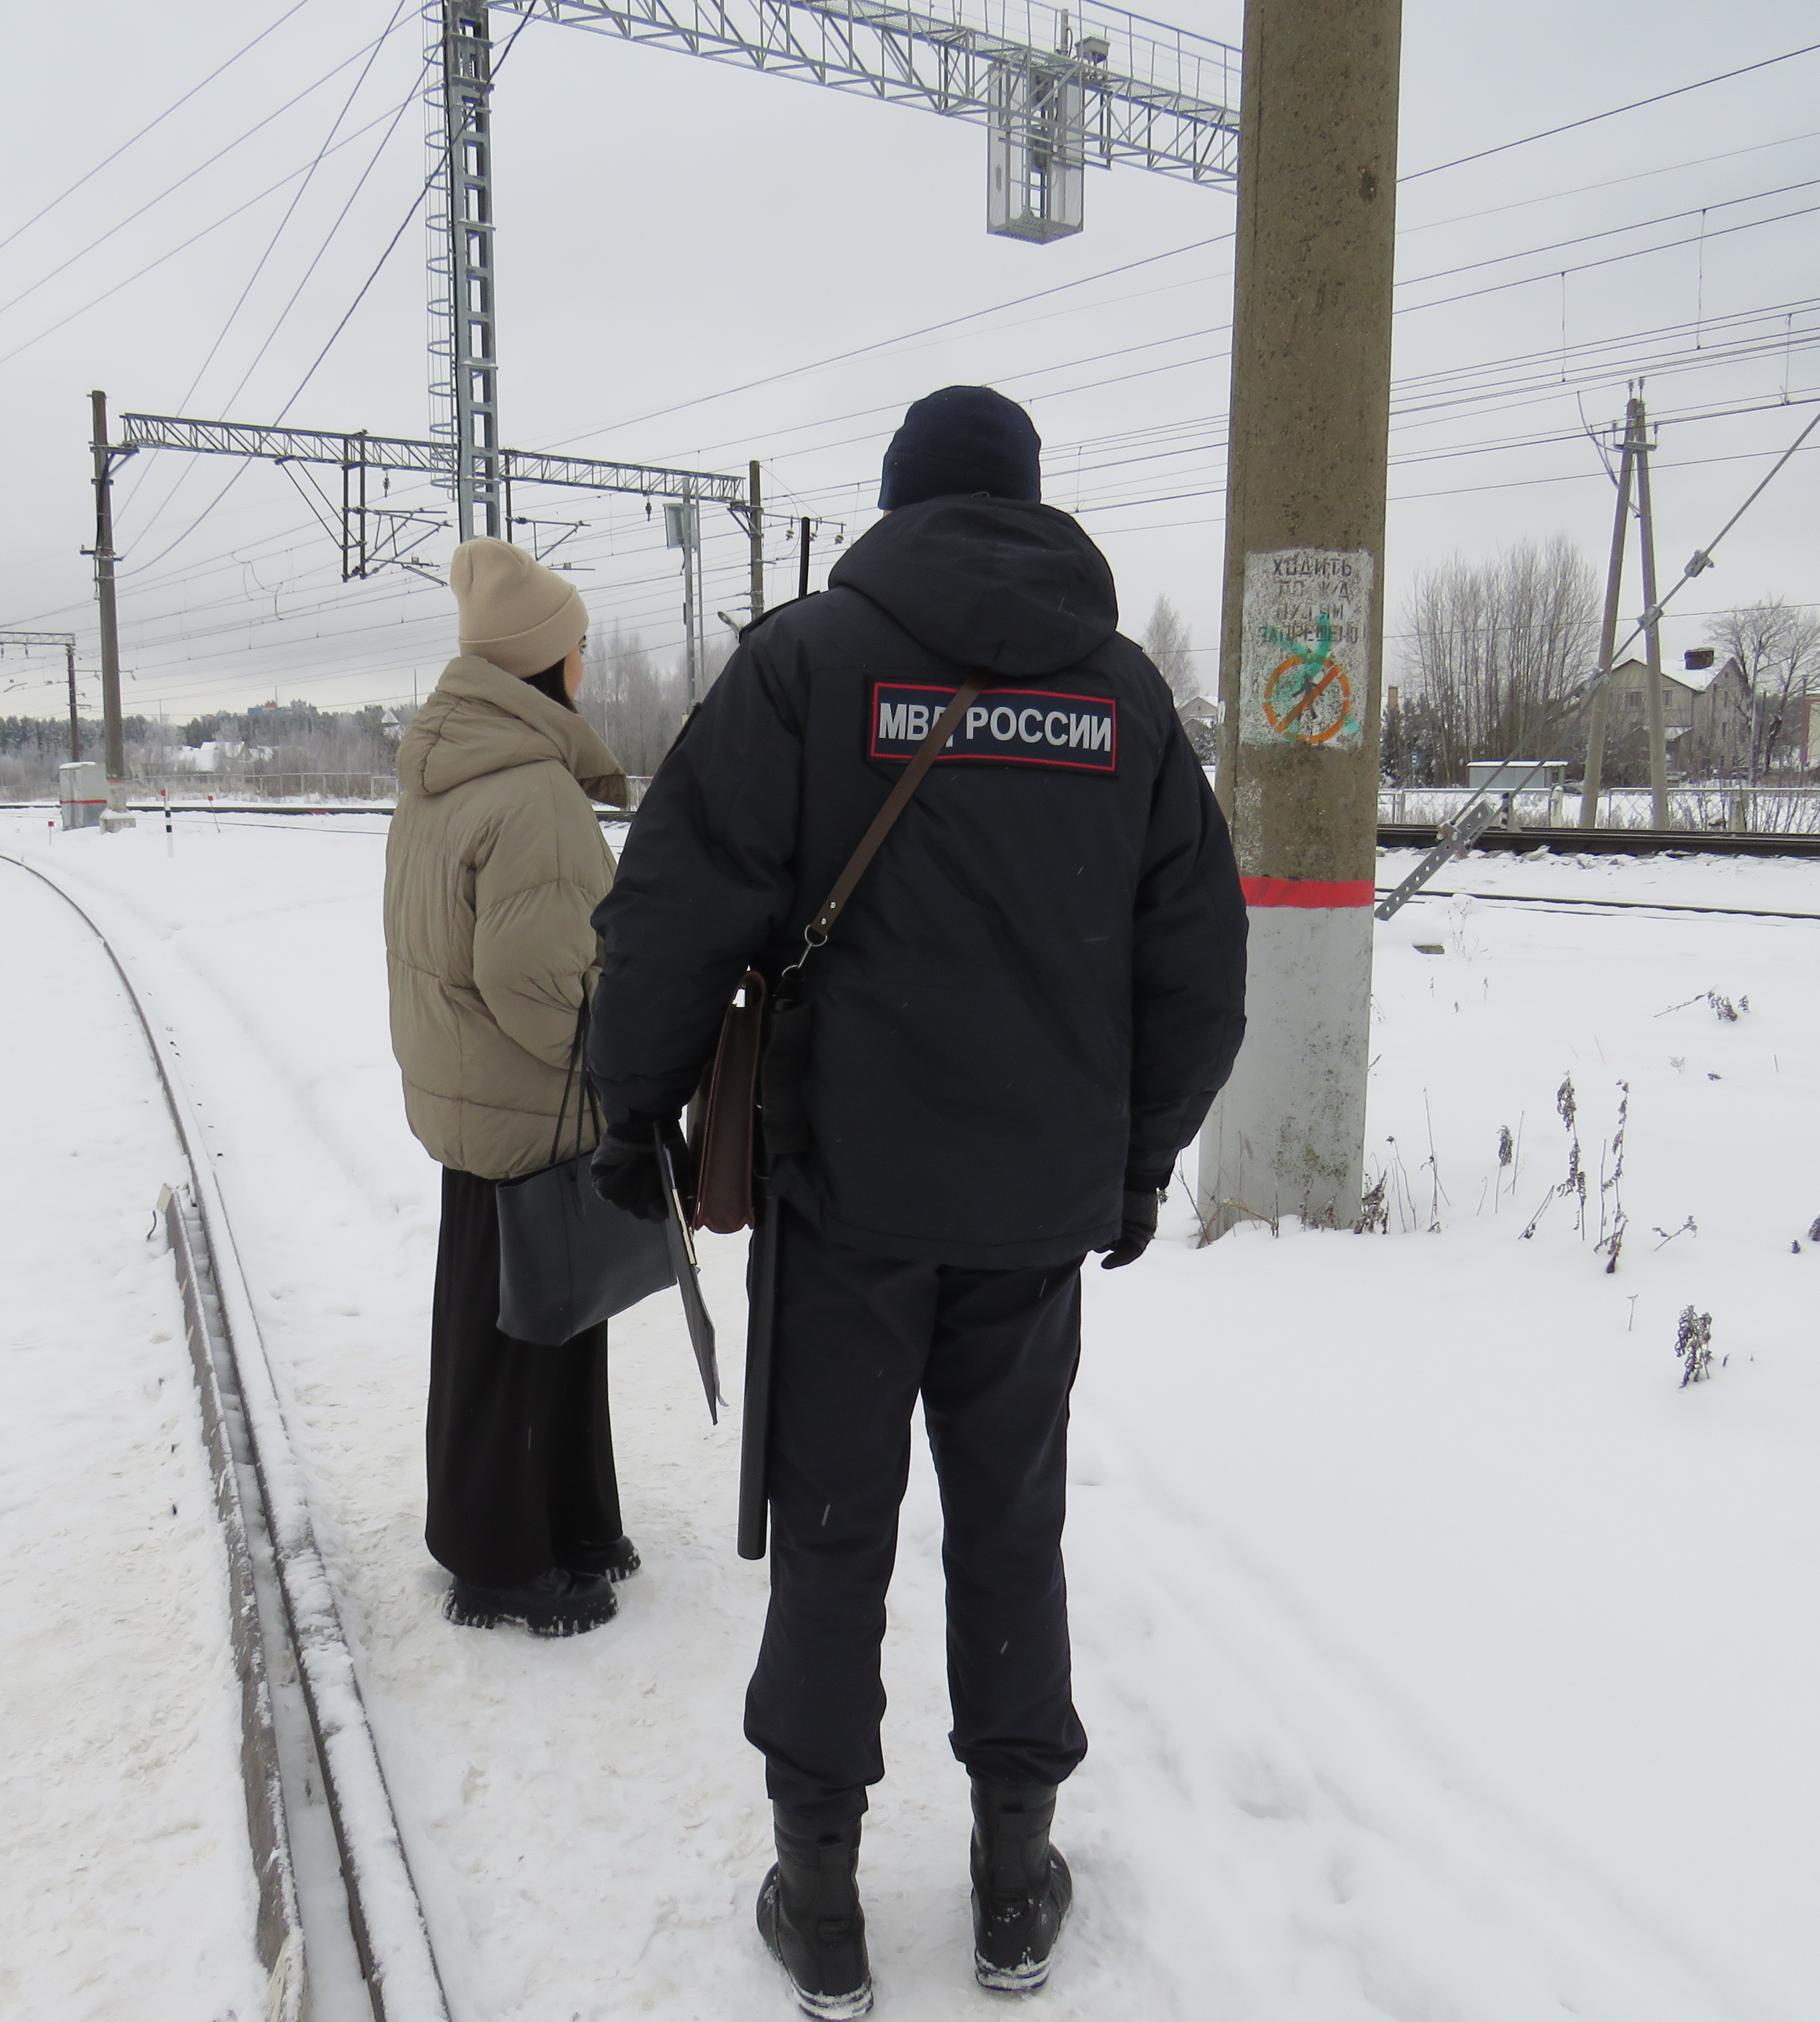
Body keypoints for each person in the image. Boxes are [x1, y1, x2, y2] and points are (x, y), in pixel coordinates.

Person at [585, 386, 1247, 2014]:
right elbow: (1202, 970)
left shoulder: (811, 664)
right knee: (1014, 1526)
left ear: (897, 503)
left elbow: (672, 897)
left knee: (833, 1533)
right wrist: (1138, 1156)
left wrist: (634, 1107)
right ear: (1031, 505)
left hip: (850, 1197)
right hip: (1029, 1220)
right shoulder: (1126, 697)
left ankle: (820, 1901)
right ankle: (1015, 1884)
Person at [384, 537, 638, 1639]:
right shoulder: (531, 789)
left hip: (470, 1091)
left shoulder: (451, 768)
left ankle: (571, 1522)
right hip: (524, 1098)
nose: (584, 664)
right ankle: (499, 1561)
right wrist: (616, 1044)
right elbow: (533, 975)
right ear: (547, 664)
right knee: (524, 1336)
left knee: (537, 1318)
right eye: (577, 648)